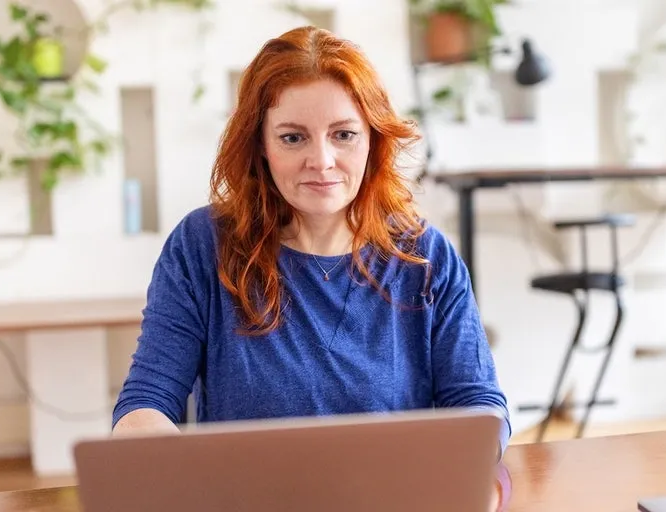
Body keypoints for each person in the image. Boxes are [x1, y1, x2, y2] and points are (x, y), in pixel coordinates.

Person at [111, 25, 511, 458]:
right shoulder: (203, 244)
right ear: (261, 144)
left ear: (372, 140)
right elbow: (148, 398)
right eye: (292, 137)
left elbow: (479, 405)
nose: (321, 161)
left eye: (343, 134)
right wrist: (146, 447)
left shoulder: (425, 256)